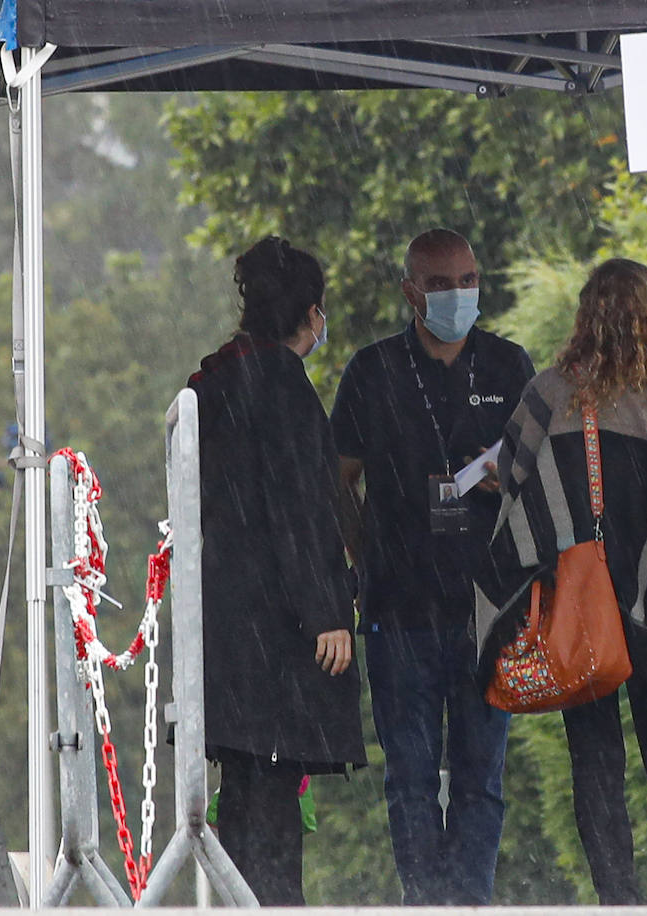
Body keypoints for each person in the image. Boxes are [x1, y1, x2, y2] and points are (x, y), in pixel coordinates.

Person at [476, 258, 647, 905]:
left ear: (585, 317)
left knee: (595, 767)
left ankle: (618, 903)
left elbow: (513, 482)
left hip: (579, 609)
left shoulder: (548, 393)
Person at [330, 228, 534, 905]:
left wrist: (508, 482)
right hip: (399, 604)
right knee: (410, 778)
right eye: (441, 284)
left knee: (482, 778)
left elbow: (544, 477)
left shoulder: (508, 365)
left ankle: (469, 903)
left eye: (468, 280)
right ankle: (424, 903)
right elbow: (338, 481)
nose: (457, 295)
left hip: (488, 606)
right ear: (410, 291)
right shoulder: (373, 369)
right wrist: (364, 554)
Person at [186, 236, 366, 905]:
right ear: (310, 315)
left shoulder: (209, 379)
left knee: (244, 791)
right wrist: (327, 612)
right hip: (278, 625)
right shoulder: (282, 385)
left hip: (224, 616)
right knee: (272, 801)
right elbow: (298, 507)